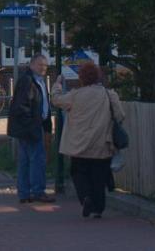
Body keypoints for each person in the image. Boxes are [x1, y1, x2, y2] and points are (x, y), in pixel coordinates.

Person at [51, 62, 125, 218]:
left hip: (79, 145)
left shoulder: (75, 95)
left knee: (79, 173)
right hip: (101, 144)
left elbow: (57, 100)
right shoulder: (109, 94)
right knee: (99, 177)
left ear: (82, 78)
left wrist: (57, 85)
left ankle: (85, 197)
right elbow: (119, 116)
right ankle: (98, 208)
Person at [7, 53, 55, 204]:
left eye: (45, 65)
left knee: (26, 160)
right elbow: (22, 106)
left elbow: (42, 104)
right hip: (30, 127)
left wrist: (47, 125)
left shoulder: (39, 81)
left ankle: (25, 193)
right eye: (40, 65)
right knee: (36, 159)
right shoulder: (28, 81)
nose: (43, 68)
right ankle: (37, 191)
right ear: (32, 65)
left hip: (33, 125)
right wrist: (30, 124)